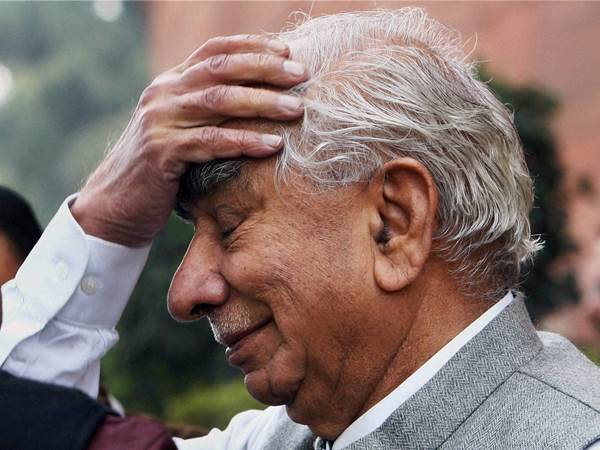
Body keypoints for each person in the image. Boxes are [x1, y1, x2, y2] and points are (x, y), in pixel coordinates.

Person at [1, 8, 600, 449]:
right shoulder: (279, 439)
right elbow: (31, 424)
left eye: (229, 227)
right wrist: (109, 215)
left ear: (394, 223)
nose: (185, 294)